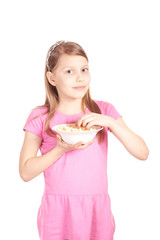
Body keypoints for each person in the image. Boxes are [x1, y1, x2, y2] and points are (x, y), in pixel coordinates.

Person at [19, 40, 149, 240]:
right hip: (57, 211)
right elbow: (25, 172)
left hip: (97, 209)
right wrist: (60, 149)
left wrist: (111, 123)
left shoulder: (104, 111)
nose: (80, 78)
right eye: (69, 72)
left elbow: (143, 153)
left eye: (84, 69)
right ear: (52, 78)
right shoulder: (40, 117)